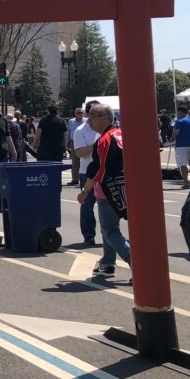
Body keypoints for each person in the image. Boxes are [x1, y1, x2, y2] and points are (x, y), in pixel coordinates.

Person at [78, 103, 131, 276]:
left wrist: (85, 191)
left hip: (109, 190)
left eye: (92, 117)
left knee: (110, 230)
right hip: (125, 188)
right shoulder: (121, 134)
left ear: (104, 118)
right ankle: (107, 263)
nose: (89, 122)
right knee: (108, 228)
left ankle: (136, 263)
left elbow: (98, 168)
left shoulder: (105, 139)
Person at [72, 101, 101, 245]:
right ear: (89, 114)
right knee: (87, 206)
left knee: (108, 206)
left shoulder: (105, 128)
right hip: (87, 172)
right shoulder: (80, 131)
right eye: (96, 112)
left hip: (105, 172)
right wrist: (98, 145)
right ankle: (89, 235)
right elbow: (79, 153)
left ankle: (110, 234)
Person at [170, 105, 190, 189]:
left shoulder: (179, 121)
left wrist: (171, 139)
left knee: (183, 164)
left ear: (181, 112)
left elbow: (175, 133)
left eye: (177, 112)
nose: (177, 114)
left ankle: (186, 182)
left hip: (181, 145)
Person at [66, 108, 86, 184]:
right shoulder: (71, 121)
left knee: (84, 159)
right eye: (78, 113)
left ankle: (85, 179)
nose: (80, 114)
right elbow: (69, 132)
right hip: (73, 142)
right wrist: (67, 143)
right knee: (75, 161)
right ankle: (75, 179)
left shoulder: (86, 121)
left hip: (83, 142)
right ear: (75, 114)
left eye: (81, 112)